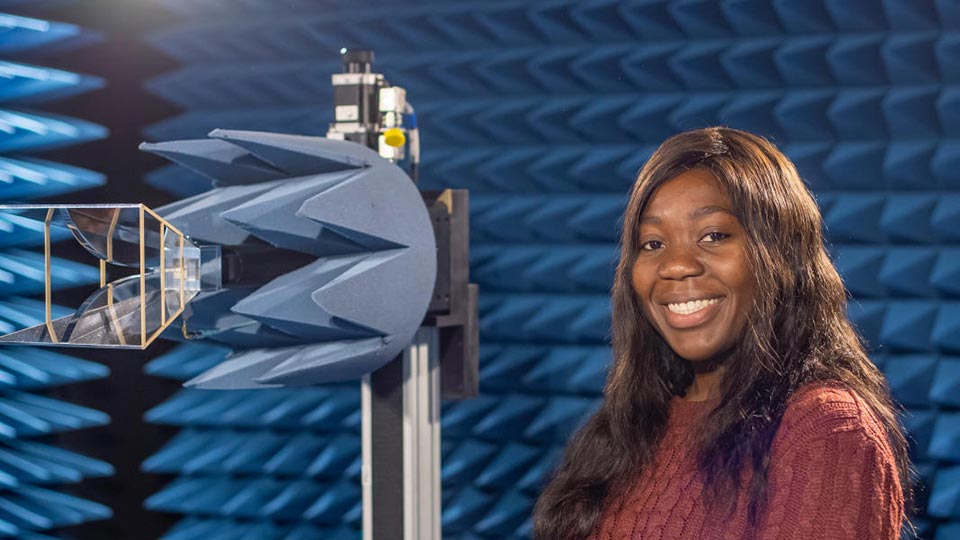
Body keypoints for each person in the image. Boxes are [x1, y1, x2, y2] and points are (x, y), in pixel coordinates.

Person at [532, 127, 912, 540]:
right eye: (653, 243)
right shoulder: (631, 427)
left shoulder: (826, 429)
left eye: (713, 236)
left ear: (781, 254)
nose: (676, 266)